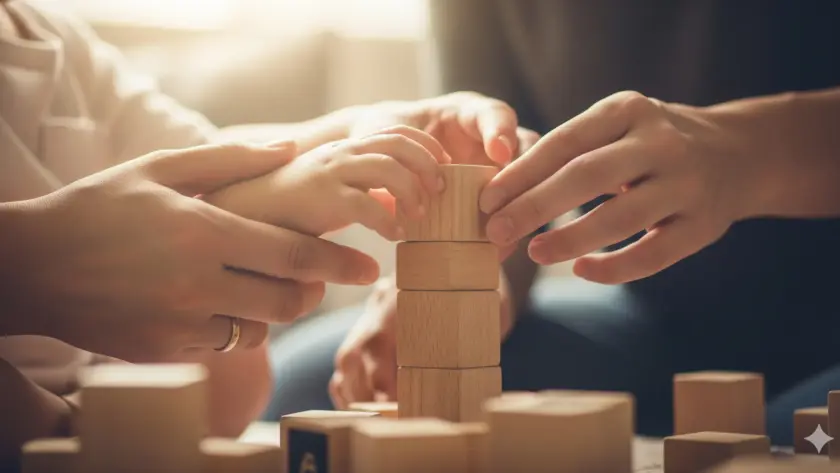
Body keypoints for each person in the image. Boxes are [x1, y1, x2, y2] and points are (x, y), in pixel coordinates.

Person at [264, 0, 840, 446]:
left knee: (778, 444)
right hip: (660, 316)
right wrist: (470, 285)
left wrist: (750, 151)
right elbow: (498, 180)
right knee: (311, 386)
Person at [0, 0, 525, 465]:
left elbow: (206, 159)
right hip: (57, 423)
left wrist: (362, 130)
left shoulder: (54, 40)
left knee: (245, 377)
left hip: (103, 415)